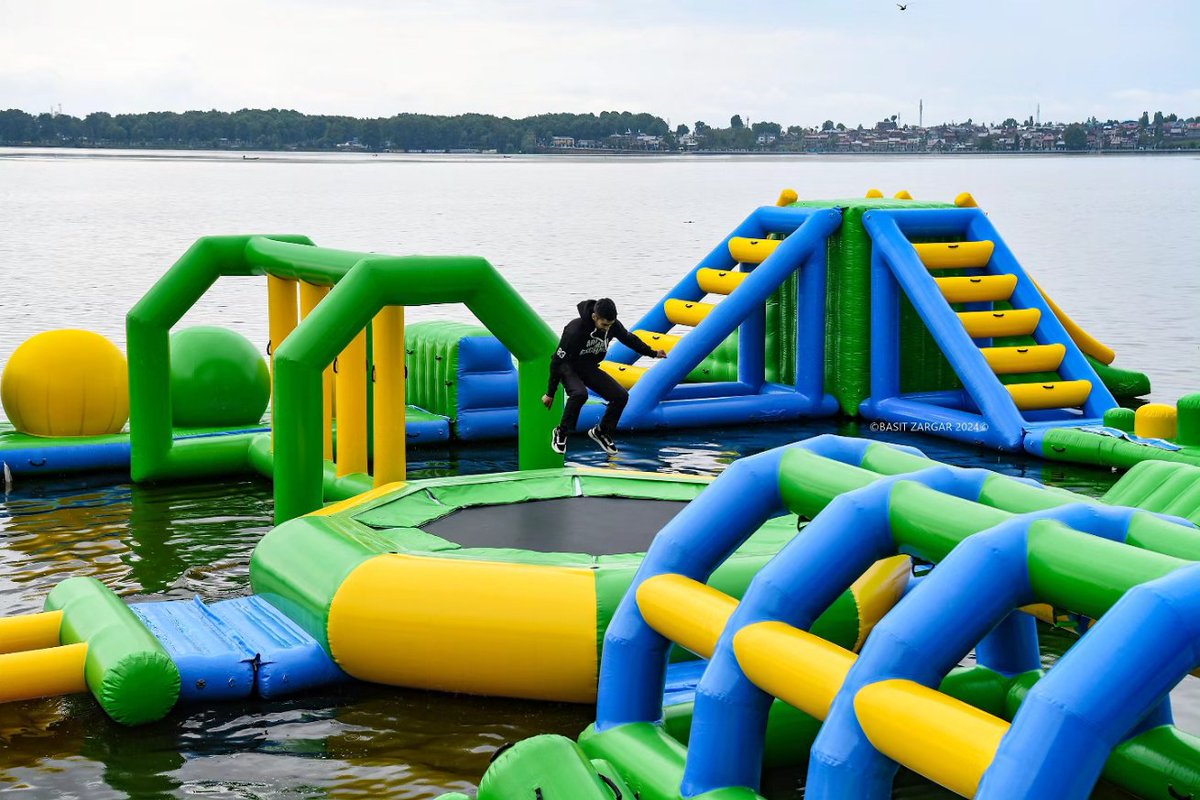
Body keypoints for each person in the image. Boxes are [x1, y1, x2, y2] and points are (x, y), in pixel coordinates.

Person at [542, 298, 666, 455]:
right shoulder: (575, 330)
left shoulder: (612, 325)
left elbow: (629, 339)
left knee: (621, 396)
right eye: (604, 325)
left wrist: (653, 353)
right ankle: (561, 432)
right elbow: (557, 362)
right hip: (567, 367)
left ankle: (602, 432)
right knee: (580, 394)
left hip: (588, 366)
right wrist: (550, 393)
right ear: (594, 317)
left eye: (610, 325)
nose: (607, 329)